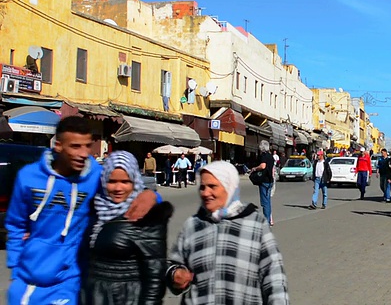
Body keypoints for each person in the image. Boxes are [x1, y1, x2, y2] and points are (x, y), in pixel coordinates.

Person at [5, 116, 158, 305]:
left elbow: (126, 187)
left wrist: (151, 196)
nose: (84, 153)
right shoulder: (29, 177)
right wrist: (15, 264)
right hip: (29, 280)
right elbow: (15, 224)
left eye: (87, 146)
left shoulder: (95, 175)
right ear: (58, 145)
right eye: (75, 146)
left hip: (72, 279)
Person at [166, 161, 289, 304]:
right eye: (202, 187)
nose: (205, 193)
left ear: (229, 187)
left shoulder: (256, 225)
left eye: (212, 186)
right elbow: (172, 264)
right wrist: (175, 275)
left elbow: (275, 279)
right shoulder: (192, 225)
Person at [84, 151, 172, 304]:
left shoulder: (145, 216)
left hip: (127, 298)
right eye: (112, 181)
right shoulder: (95, 210)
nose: (118, 188)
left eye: (125, 181)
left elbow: (155, 279)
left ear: (135, 181)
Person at [251, 140, 275, 226]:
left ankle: (266, 221)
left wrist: (255, 169)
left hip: (264, 181)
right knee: (268, 201)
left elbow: (263, 166)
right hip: (270, 181)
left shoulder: (264, 156)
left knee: (265, 202)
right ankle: (268, 219)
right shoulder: (271, 157)